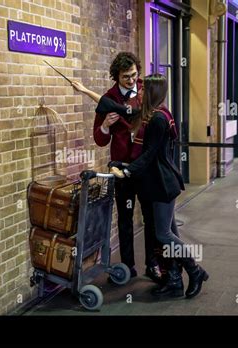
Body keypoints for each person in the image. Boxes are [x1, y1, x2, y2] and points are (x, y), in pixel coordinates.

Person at [110, 74, 209, 299]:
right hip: (158, 182)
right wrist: (124, 164)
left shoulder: (157, 119)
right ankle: (174, 280)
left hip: (162, 184)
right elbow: (148, 154)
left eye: (144, 89)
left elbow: (149, 155)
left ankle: (196, 271)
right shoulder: (157, 114)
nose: (140, 92)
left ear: (153, 93)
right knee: (169, 232)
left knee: (164, 234)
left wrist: (127, 170)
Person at [72, 52, 164, 284]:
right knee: (124, 218)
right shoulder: (108, 98)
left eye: (134, 75)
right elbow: (100, 139)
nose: (132, 81)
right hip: (120, 169)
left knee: (151, 218)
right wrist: (104, 125)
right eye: (126, 77)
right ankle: (127, 266)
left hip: (143, 167)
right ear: (117, 76)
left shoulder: (145, 90)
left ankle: (153, 265)